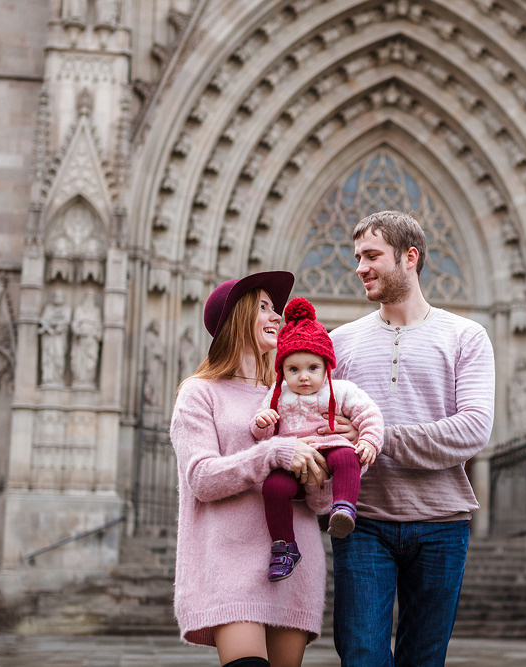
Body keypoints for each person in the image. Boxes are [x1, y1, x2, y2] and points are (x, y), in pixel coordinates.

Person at [326, 210, 496, 666]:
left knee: (424, 658)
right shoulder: (339, 343)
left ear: (409, 258)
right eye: (357, 256)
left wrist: (379, 436)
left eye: (372, 256)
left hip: (443, 523)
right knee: (361, 655)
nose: (360, 267)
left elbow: (474, 428)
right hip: (363, 521)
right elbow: (322, 426)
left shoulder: (467, 336)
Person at [170, 270, 332, 667]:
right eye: (263, 307)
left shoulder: (293, 395)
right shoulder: (199, 393)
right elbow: (201, 479)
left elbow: (321, 501)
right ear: (235, 318)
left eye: (275, 308)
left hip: (294, 565)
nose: (276, 316)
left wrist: (326, 462)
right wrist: (273, 453)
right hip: (229, 566)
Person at [250, 297, 384, 581]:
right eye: (294, 369)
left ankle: (344, 506)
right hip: (293, 461)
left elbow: (369, 413)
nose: (304, 377)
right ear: (282, 372)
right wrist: (262, 423)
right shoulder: (278, 394)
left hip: (330, 448)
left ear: (326, 368)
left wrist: (370, 440)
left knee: (347, 455)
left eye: (313, 368)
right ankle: (284, 546)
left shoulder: (341, 390)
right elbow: (263, 432)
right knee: (273, 487)